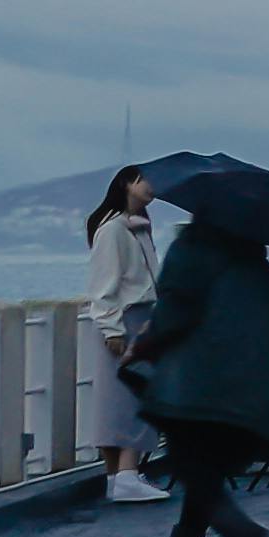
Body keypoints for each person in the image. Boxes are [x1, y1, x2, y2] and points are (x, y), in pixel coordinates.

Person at [118, 210, 269, 537]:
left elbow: (175, 311)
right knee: (204, 472)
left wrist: (142, 346)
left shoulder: (193, 249)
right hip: (251, 396)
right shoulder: (258, 266)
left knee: (191, 465)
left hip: (198, 387)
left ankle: (240, 534)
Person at [80, 167, 165, 503]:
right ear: (128, 183)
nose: (153, 188)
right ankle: (125, 474)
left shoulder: (138, 228)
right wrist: (112, 327)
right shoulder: (113, 229)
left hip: (140, 317)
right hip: (127, 319)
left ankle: (119, 477)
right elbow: (104, 284)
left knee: (122, 396)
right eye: (147, 180)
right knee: (129, 396)